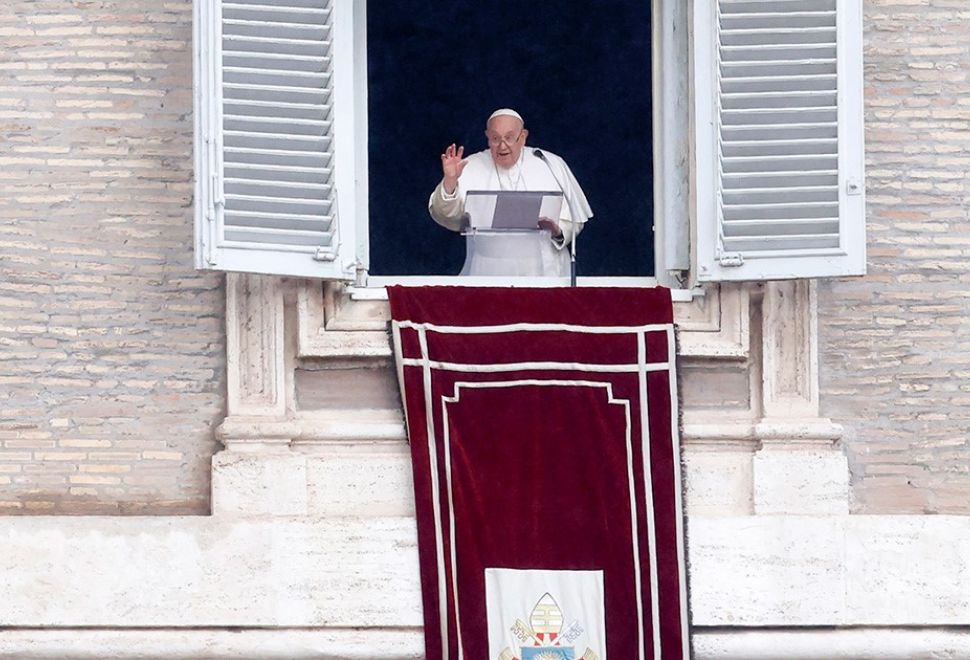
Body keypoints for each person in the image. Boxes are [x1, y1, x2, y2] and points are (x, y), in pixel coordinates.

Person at [428, 108, 593, 277]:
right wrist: (450, 181)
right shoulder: (469, 166)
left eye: (509, 137)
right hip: (489, 270)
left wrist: (558, 231)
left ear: (522, 137)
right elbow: (445, 215)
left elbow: (575, 218)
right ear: (487, 138)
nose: (502, 145)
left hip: (545, 269)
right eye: (495, 138)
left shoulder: (550, 163)